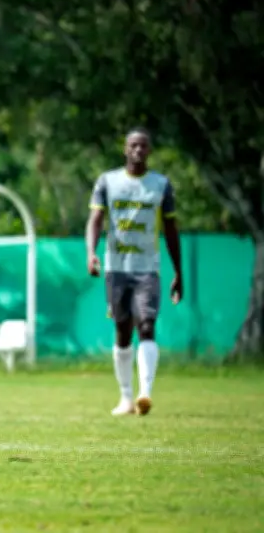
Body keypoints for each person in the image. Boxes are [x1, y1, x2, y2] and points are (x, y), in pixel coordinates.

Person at [86, 127, 182, 417]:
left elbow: (171, 229)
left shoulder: (161, 185)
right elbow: (95, 219)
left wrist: (179, 271)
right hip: (116, 269)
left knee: (147, 326)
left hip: (148, 270)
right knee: (122, 331)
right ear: (125, 149)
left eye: (143, 146)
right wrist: (91, 253)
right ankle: (126, 397)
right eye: (133, 145)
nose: (138, 150)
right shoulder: (108, 181)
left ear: (149, 151)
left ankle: (145, 394)